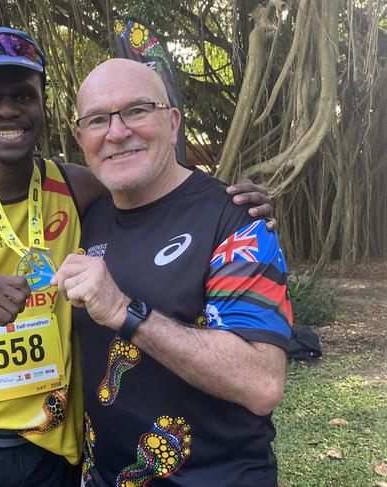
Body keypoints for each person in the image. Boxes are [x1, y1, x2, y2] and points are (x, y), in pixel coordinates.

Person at [0, 28, 276, 487]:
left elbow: (152, 187)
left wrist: (233, 203)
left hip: (56, 457)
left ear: (43, 106)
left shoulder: (81, 188)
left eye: (23, 95)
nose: (6, 110)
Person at [52, 58, 292, 487]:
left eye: (137, 110)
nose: (117, 131)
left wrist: (125, 311)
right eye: (97, 119)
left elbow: (262, 381)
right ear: (81, 137)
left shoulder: (236, 221)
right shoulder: (85, 220)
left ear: (173, 120)